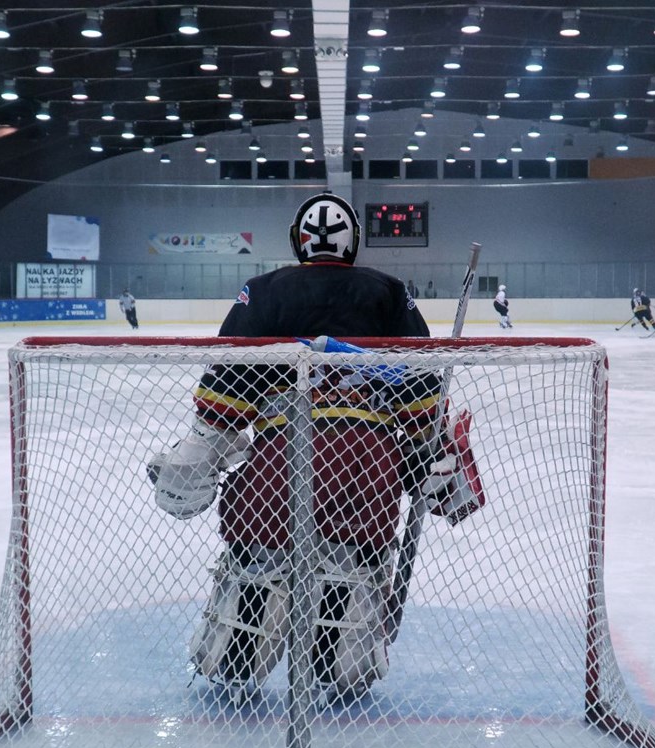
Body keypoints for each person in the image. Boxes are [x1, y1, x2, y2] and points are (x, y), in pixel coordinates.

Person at [145, 192, 474, 698]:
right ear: (353, 242)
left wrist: (194, 459)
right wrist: (431, 460)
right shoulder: (390, 292)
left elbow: (223, 400)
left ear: (297, 242)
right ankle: (336, 667)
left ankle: (236, 665)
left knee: (256, 579)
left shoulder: (263, 291)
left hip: (278, 465)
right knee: (348, 589)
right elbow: (422, 402)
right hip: (366, 469)